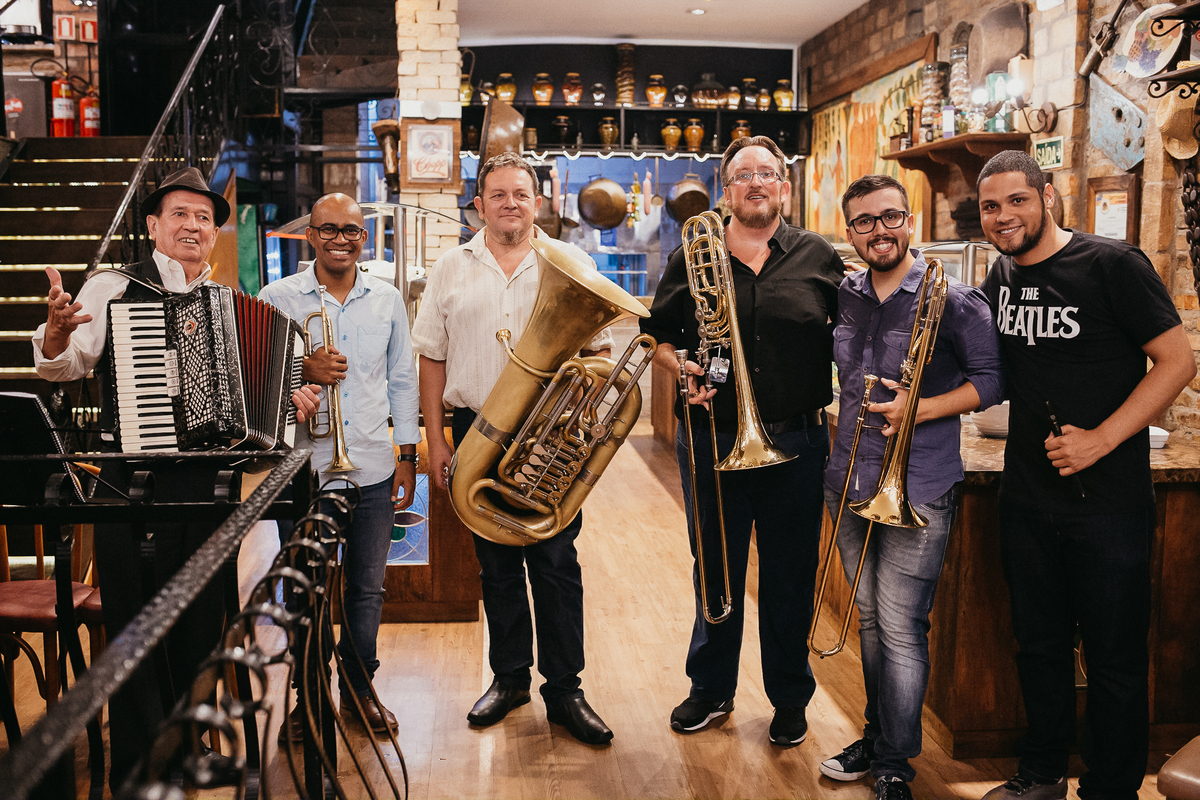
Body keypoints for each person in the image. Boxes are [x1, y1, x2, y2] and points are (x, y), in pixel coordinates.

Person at [31, 166, 266, 790]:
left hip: (206, 482)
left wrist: (285, 397)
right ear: (154, 225)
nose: (193, 226)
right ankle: (139, 767)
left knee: (200, 623)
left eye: (204, 218)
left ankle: (189, 748)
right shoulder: (114, 286)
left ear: (214, 232)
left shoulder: (226, 302)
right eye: (180, 214)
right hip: (130, 481)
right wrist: (54, 333)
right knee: (136, 626)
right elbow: (65, 365)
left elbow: (248, 398)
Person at [976, 151, 1195, 800]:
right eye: (991, 206)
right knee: (1037, 647)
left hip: (1108, 506)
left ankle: (1111, 789)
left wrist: (1102, 438)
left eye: (1017, 200)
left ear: (1048, 196)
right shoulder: (1001, 274)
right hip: (1026, 497)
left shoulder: (1112, 264)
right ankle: (1042, 774)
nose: (1004, 216)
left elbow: (1177, 362)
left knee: (1114, 659)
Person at [640, 135, 844, 747]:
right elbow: (658, 336)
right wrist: (682, 367)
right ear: (727, 189)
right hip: (712, 435)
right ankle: (710, 689)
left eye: (767, 173)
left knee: (790, 573)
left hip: (797, 442)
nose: (756, 182)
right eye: (743, 175)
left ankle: (789, 696)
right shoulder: (693, 253)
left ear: (784, 185)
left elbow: (851, 333)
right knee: (715, 567)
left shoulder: (818, 255)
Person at [411, 152, 616, 746]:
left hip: (548, 431)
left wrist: (577, 426)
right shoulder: (450, 267)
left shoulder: (571, 262)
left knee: (556, 563)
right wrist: (435, 439)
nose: (509, 203)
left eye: (520, 194)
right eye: (497, 194)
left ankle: (566, 690)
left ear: (537, 202)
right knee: (495, 566)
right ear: (479, 204)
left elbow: (600, 353)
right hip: (475, 426)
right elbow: (432, 359)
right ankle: (509, 680)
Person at [817, 175, 1002, 800]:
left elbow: (991, 380)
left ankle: (895, 761)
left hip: (918, 482)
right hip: (849, 478)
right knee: (870, 619)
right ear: (850, 232)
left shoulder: (955, 299)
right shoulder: (846, 294)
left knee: (899, 626)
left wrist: (920, 408)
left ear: (910, 219)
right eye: (865, 221)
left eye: (890, 216)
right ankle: (876, 737)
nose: (880, 230)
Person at [258, 193, 420, 738]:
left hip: (372, 465)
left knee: (366, 589)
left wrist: (407, 456)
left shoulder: (387, 299)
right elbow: (255, 384)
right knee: (303, 589)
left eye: (350, 230)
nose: (340, 240)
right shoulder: (276, 298)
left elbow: (402, 380)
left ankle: (358, 688)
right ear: (311, 235)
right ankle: (309, 695)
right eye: (328, 229)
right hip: (304, 471)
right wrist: (301, 369)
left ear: (363, 238)